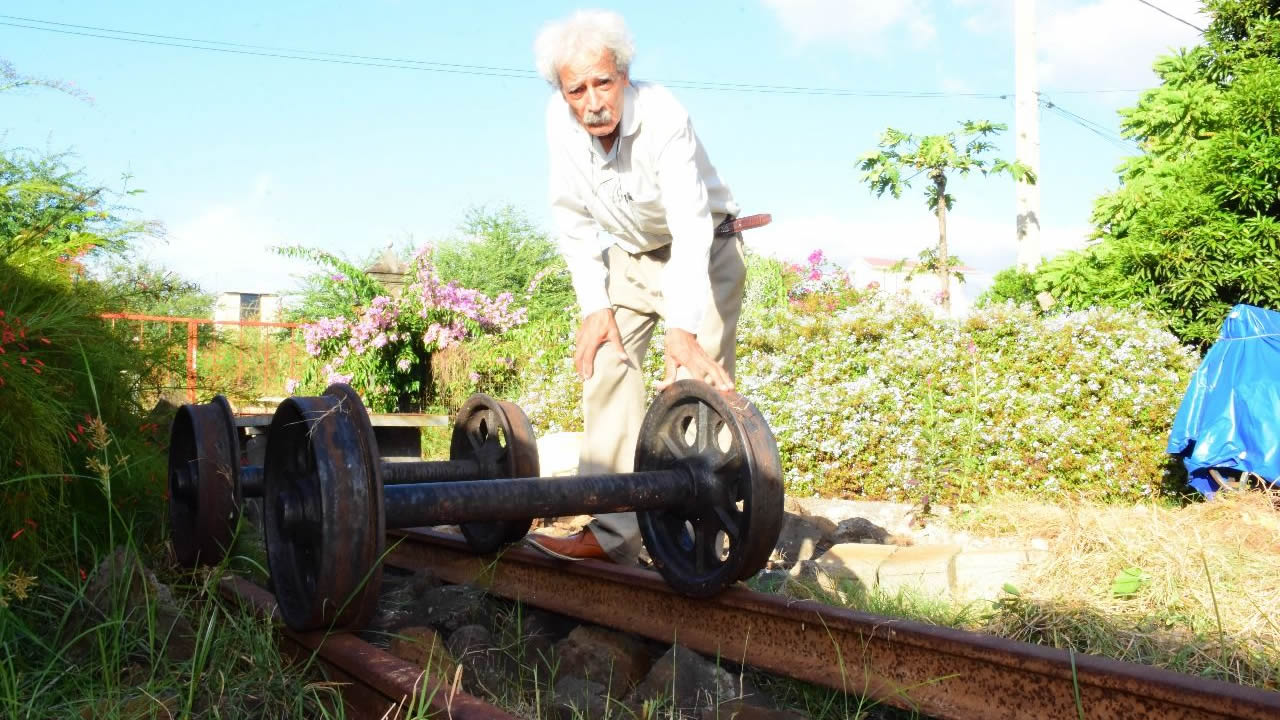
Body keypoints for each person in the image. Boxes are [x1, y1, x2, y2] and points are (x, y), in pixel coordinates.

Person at [526, 10, 746, 563]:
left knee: (697, 389)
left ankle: (699, 541)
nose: (592, 101)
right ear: (562, 92)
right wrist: (594, 306)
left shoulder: (664, 115)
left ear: (624, 75)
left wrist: (683, 327)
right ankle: (612, 534)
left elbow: (691, 226)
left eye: (603, 82)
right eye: (577, 89)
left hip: (704, 249)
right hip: (629, 255)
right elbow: (572, 219)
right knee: (606, 365)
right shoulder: (559, 121)